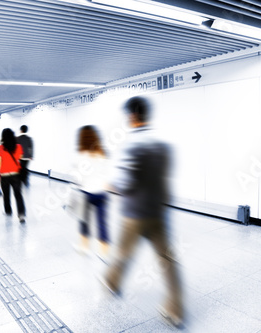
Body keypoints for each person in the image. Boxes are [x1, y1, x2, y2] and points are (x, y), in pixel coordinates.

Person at [102, 96, 184, 327]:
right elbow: (163, 179)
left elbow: (125, 183)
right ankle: (176, 310)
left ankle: (111, 282)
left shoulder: (131, 145)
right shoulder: (162, 145)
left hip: (134, 215)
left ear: (133, 116)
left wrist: (110, 186)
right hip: (157, 212)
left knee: (123, 253)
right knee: (167, 261)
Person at [74, 125, 110, 258]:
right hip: (101, 192)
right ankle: (104, 252)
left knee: (84, 221)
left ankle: (84, 247)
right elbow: (107, 173)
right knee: (102, 222)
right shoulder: (102, 153)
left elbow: (78, 177)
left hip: (86, 192)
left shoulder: (81, 155)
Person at [0, 128, 26, 222]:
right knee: (18, 195)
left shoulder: (0, 148)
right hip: (16, 175)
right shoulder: (18, 146)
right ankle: (21, 215)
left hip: (4, 176)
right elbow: (20, 158)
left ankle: (8, 211)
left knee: (6, 195)